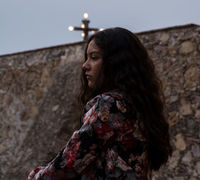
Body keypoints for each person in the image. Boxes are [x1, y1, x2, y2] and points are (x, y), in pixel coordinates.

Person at [26, 27, 172, 180]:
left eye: (94, 58)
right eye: (87, 58)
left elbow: (69, 162)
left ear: (114, 63)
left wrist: (35, 176)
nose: (85, 65)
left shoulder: (108, 105)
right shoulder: (140, 106)